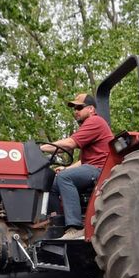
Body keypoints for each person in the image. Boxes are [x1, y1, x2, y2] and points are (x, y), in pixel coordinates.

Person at [40, 93, 113, 240]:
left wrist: (40, 148)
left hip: (101, 170)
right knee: (52, 183)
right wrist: (66, 168)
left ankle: (75, 227)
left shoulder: (95, 121)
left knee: (64, 178)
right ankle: (58, 223)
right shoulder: (87, 127)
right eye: (74, 109)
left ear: (91, 109)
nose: (76, 111)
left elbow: (69, 144)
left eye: (79, 108)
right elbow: (83, 161)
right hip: (92, 168)